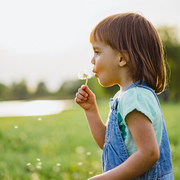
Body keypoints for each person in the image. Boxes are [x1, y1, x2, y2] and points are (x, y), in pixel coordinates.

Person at [75, 12, 174, 180]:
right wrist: (91, 110)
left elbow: (149, 154)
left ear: (122, 58)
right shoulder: (126, 95)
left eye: (97, 52)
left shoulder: (134, 97)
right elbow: (109, 144)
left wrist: (105, 178)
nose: (92, 60)